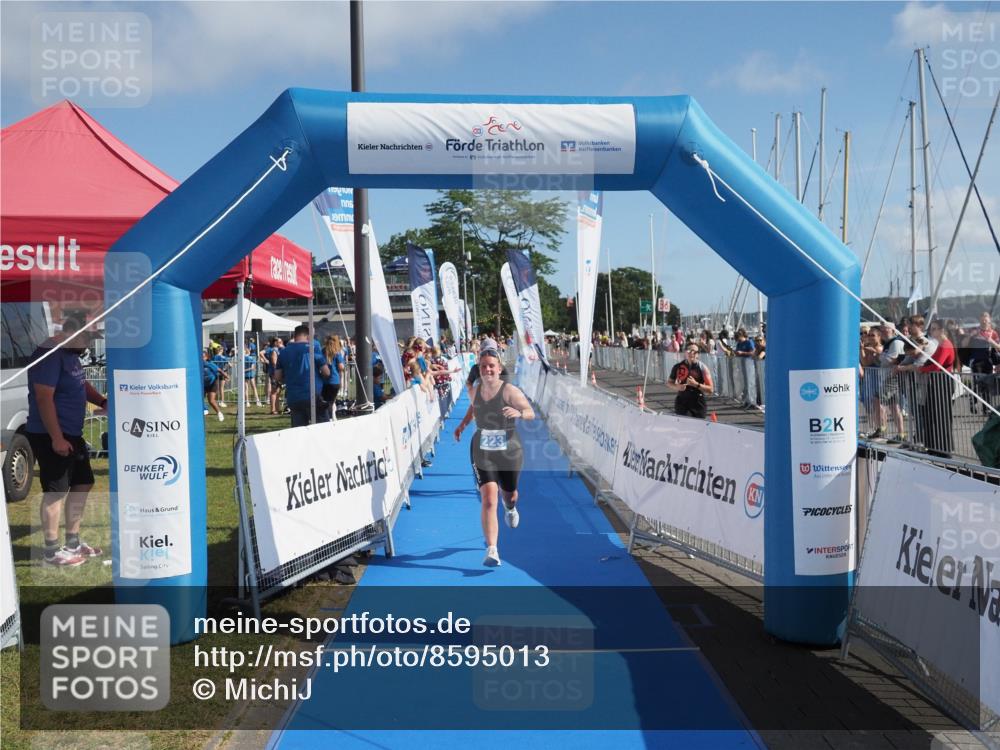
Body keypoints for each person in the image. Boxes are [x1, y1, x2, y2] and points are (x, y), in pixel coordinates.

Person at [26, 312, 108, 566]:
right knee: (56, 491)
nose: (90, 344)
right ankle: (51, 552)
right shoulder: (49, 354)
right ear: (72, 332)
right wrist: (57, 438)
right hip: (51, 434)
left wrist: (102, 401)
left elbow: (80, 384)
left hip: (72, 433)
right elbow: (43, 398)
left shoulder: (71, 354)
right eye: (88, 338)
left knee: (83, 483)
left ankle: (73, 542)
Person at [454, 347, 534, 567]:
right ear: (479, 369)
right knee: (489, 498)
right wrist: (462, 425)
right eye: (483, 366)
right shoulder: (474, 390)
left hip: (509, 450)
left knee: (510, 495)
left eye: (491, 366)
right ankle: (492, 549)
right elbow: (474, 408)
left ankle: (510, 507)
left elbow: (530, 412)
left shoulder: (510, 391)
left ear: (499, 368)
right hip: (482, 448)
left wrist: (519, 413)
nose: (487, 369)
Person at [275, 325, 331, 427]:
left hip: (293, 397)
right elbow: (326, 372)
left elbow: (278, 376)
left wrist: (288, 379)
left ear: (295, 335)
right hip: (313, 395)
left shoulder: (283, 352)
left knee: (298, 430)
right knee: (323, 428)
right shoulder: (312, 349)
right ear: (308, 335)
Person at [667, 345, 714, 419]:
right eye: (689, 351)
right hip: (682, 401)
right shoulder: (678, 367)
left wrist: (696, 384)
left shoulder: (703, 368)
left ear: (698, 354)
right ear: (685, 352)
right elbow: (669, 383)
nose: (691, 353)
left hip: (698, 402)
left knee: (698, 425)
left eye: (694, 352)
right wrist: (677, 387)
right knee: (683, 424)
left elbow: (711, 390)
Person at [321, 335, 346, 419]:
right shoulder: (337, 353)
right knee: (331, 402)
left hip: (324, 380)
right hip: (334, 381)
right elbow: (341, 367)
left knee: (325, 401)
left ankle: (328, 418)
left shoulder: (322, 351)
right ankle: (330, 418)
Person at [203, 348, 228, 422]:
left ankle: (219, 413)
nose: (201, 358)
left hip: (212, 383)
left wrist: (226, 376)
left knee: (211, 400)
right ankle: (205, 409)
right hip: (203, 384)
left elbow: (219, 370)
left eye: (203, 357)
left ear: (206, 357)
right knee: (200, 399)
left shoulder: (209, 364)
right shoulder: (198, 365)